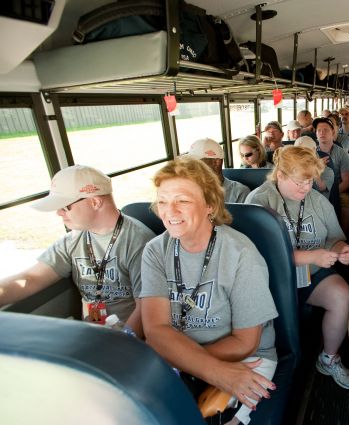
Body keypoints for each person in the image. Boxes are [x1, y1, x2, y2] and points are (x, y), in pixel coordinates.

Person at [140, 157, 278, 424]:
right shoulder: (156, 251)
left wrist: (183, 361)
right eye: (163, 201)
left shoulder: (241, 254)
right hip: (186, 359)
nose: (170, 211)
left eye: (182, 200)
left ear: (210, 206)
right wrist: (207, 369)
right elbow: (156, 330)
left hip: (245, 358)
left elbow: (245, 342)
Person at [245, 146, 349, 390]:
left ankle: (328, 358)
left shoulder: (317, 201)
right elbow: (257, 256)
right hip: (271, 282)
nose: (306, 188)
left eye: (310, 181)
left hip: (311, 276)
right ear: (280, 175)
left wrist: (342, 250)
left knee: (342, 296)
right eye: (299, 182)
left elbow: (334, 238)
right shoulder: (259, 201)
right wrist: (309, 256)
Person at [0, 165, 154, 336]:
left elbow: (145, 309)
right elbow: (30, 278)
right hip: (91, 333)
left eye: (65, 206)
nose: (59, 213)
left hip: (127, 338)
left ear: (95, 202)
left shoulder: (139, 242)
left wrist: (121, 344)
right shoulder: (74, 239)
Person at [314, 117, 349, 234]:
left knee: (345, 208)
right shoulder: (311, 154)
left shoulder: (341, 153)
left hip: (339, 190)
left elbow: (347, 181)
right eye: (319, 130)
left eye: (326, 130)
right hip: (316, 190)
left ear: (333, 132)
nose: (322, 133)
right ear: (316, 134)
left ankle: (342, 237)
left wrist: (333, 194)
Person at [188, 138, 250, 203]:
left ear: (216, 162)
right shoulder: (189, 191)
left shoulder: (239, 192)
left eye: (198, 163)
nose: (192, 168)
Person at [294, 135, 334, 199]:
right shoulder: (293, 168)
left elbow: (320, 187)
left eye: (303, 153)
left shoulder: (327, 171)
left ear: (313, 151)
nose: (300, 157)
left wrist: (314, 167)